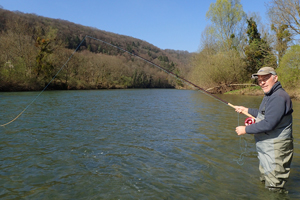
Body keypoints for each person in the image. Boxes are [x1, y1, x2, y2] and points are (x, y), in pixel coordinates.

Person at [234, 67, 293, 193]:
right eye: (259, 80)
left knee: (274, 188)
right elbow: (264, 114)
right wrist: (245, 110)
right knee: (265, 181)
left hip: (276, 149)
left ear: (275, 78)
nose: (262, 82)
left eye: (265, 79)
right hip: (267, 147)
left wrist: (246, 129)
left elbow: (269, 123)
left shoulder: (278, 97)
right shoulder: (270, 94)